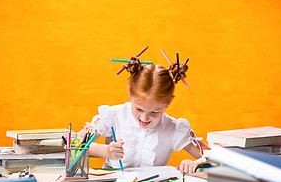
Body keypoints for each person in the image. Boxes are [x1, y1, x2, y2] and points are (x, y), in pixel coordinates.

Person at [78, 54, 208, 174]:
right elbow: (73, 143)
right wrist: (106, 151)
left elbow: (216, 157)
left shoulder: (174, 128)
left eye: (154, 112)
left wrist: (196, 164)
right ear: (130, 94)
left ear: (169, 102)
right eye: (139, 109)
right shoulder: (113, 116)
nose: (144, 118)